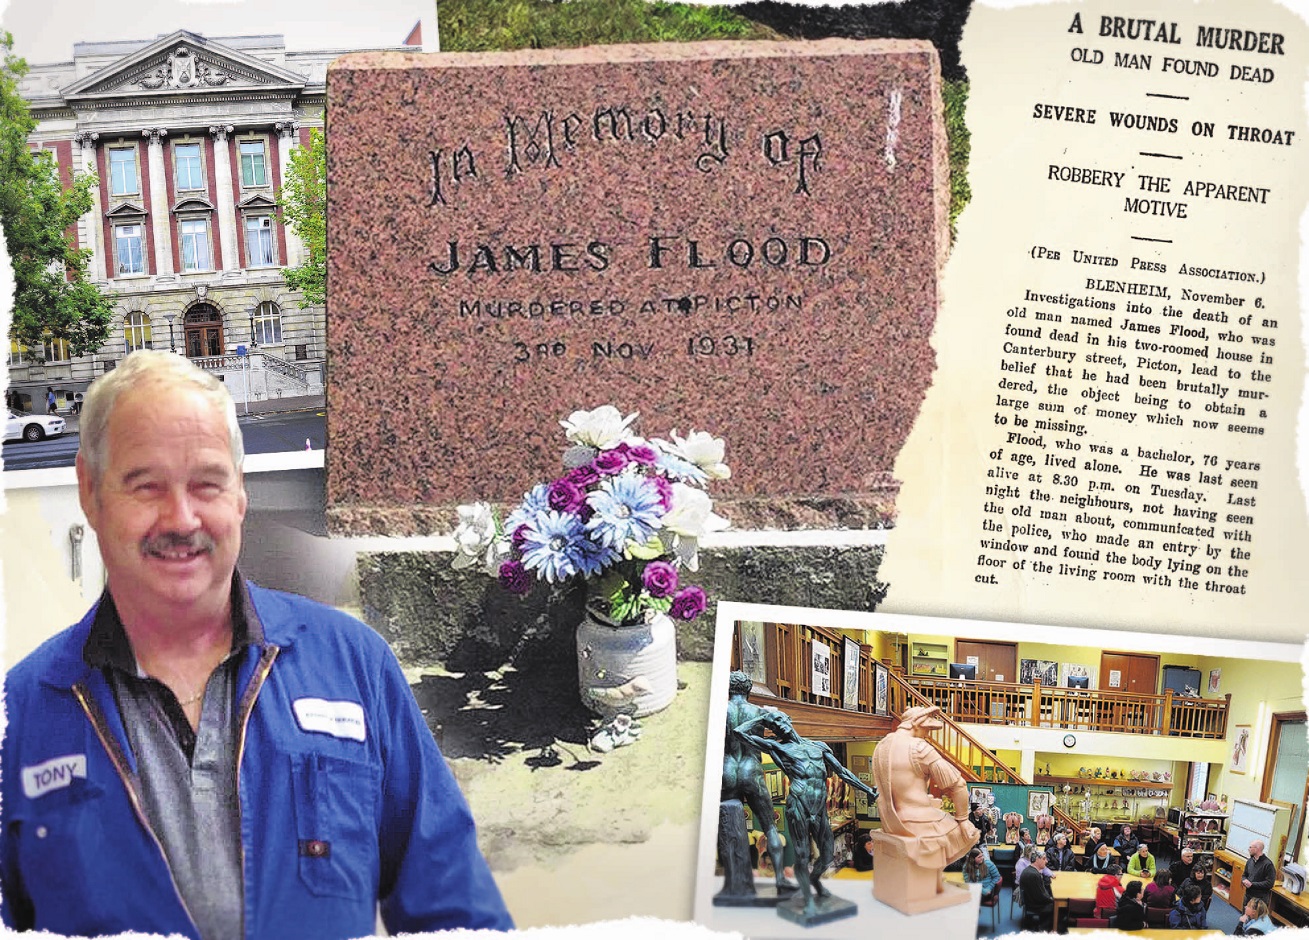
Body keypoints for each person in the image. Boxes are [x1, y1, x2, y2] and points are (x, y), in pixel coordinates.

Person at [0, 351, 513, 939]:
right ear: (90, 492)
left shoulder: (353, 665)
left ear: (240, 493)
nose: (181, 518)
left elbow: (453, 906)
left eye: (207, 484)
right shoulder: (22, 713)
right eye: (146, 486)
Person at [734, 709, 878, 917]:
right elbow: (739, 733)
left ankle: (813, 880)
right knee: (802, 855)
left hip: (820, 808)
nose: (778, 726)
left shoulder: (818, 746)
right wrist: (763, 718)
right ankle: (808, 898)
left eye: (780, 720)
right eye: (773, 725)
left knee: (827, 855)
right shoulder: (777, 747)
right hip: (799, 805)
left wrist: (867, 790)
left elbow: (842, 772)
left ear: (789, 719)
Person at [720, 671, 793, 896]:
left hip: (726, 770)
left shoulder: (719, 711)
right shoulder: (759, 712)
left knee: (728, 825)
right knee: (770, 827)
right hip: (751, 770)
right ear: (749, 690)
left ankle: (735, 880)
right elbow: (787, 732)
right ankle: (780, 880)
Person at [1019, 849, 1055, 929]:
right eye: (1044, 859)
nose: (1046, 861)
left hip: (1031, 901)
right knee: (1057, 906)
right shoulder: (1034, 875)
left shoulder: (1030, 870)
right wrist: (1052, 899)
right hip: (1034, 905)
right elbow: (1041, 896)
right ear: (1037, 859)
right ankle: (1044, 929)